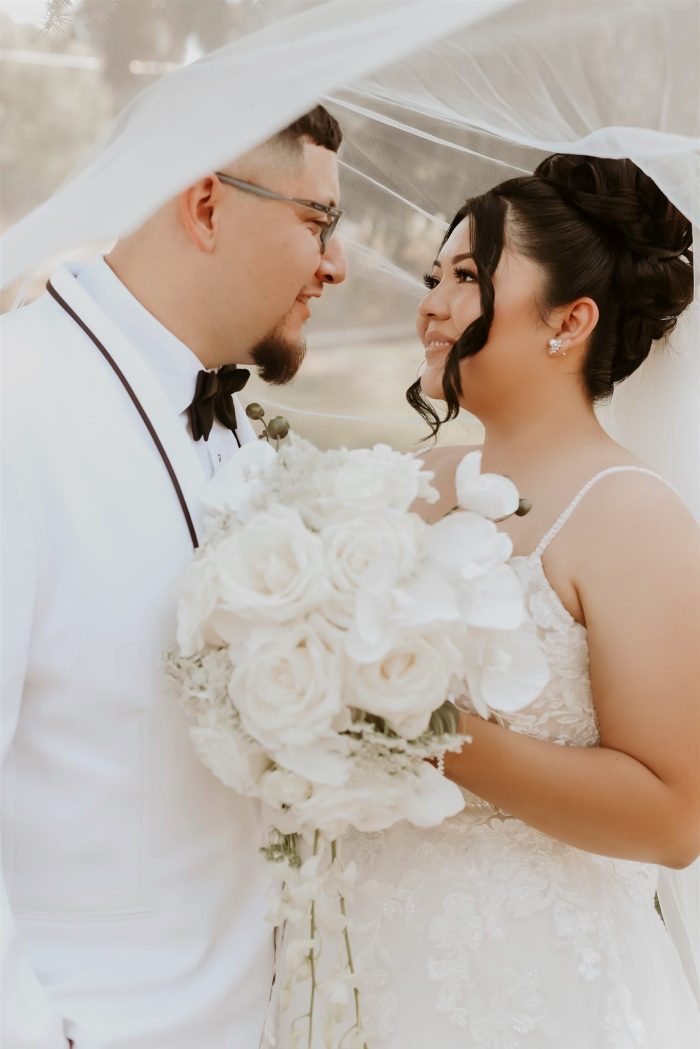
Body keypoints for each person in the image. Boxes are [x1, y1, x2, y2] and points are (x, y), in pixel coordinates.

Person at [275, 155, 699, 1047]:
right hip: (358, 962)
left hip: (536, 993)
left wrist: (428, 736)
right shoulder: (397, 486)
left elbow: (671, 814)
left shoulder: (630, 514)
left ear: (571, 320)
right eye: (435, 276)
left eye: (468, 277)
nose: (431, 303)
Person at [0, 104, 346, 1049]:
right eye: (319, 221)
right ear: (206, 206)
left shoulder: (256, 446)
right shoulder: (14, 410)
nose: (339, 264)